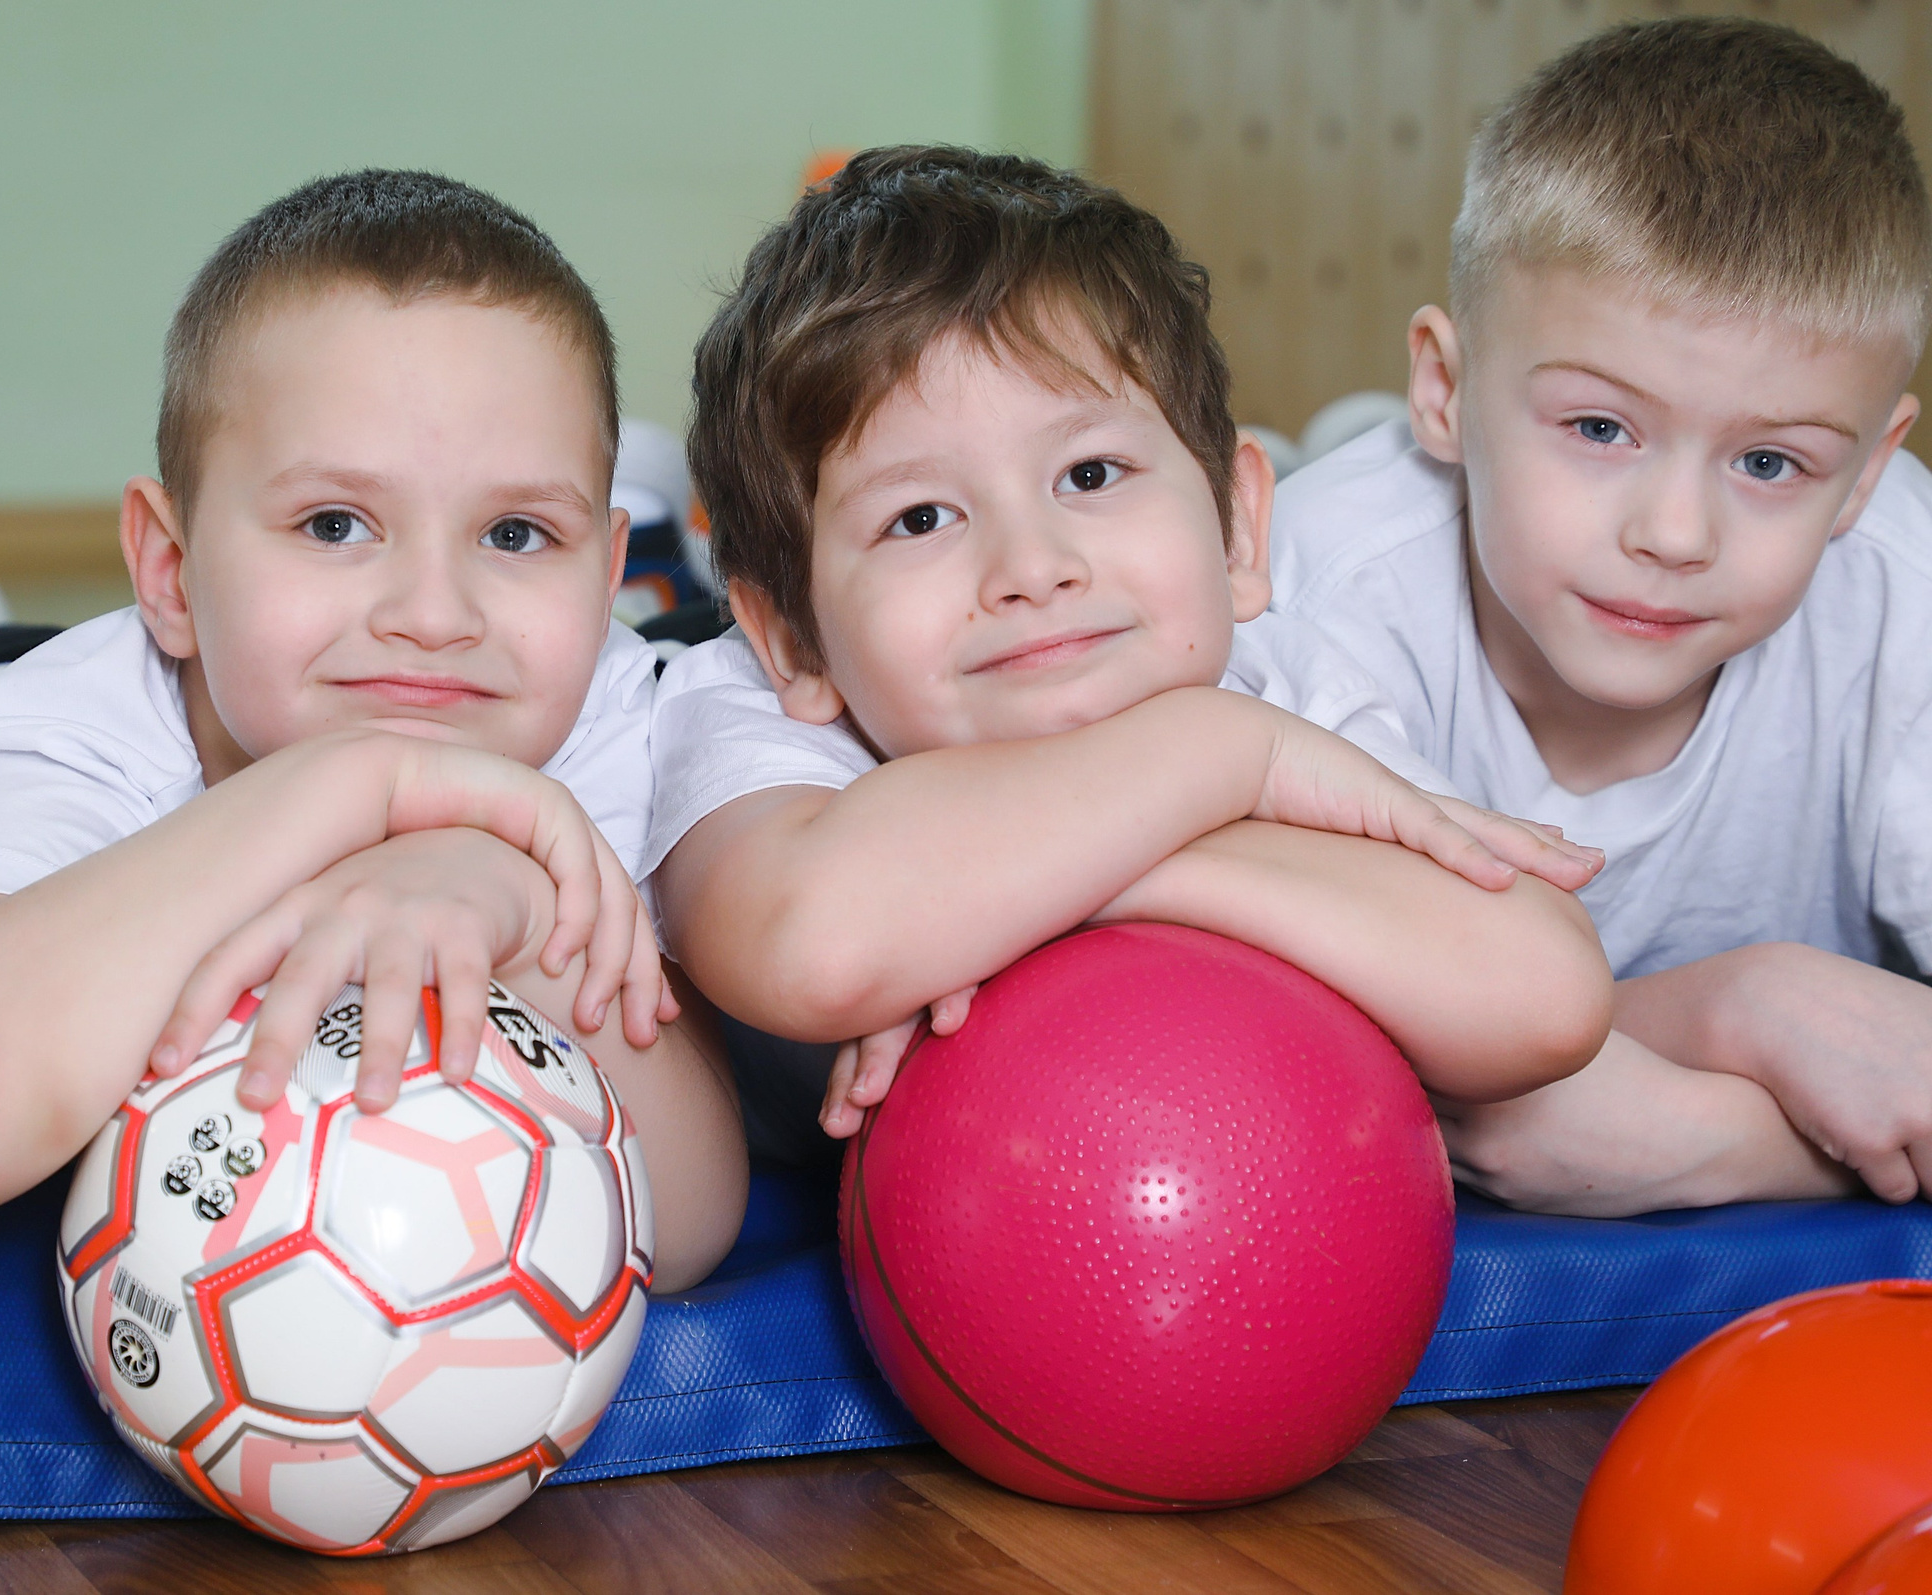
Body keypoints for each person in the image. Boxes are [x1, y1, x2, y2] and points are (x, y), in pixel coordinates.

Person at [0, 171, 747, 1286]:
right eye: (334, 524)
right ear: (170, 572)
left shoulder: (608, 713)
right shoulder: (68, 736)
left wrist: (510, 898)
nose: (432, 616)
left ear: (601, 579)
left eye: (516, 534)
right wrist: (361, 786)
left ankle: (659, 544)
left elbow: (694, 1220)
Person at [647, 147, 1615, 1169]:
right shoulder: (740, 707)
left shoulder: (1280, 681)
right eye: (920, 517)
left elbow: (1541, 998)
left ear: (1238, 529)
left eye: (1091, 472)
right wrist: (1219, 758)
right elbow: (814, 949)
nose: (1032, 566)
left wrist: (1102, 872)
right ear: (792, 636)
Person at [1272, 19, 1932, 1216]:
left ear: (1869, 472)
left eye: (1771, 464)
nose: (1674, 534)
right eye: (1599, 428)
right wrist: (1749, 1015)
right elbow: (1433, 1077)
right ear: (1446, 385)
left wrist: (1698, 1126)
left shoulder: (1903, 596)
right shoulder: (1304, 593)